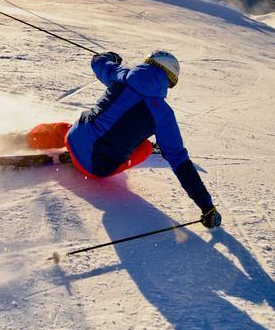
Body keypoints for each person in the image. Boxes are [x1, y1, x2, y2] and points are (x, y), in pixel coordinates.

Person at [27, 50, 221, 229]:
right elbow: (181, 163)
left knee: (70, 129)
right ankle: (83, 156)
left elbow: (97, 62)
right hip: (96, 167)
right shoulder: (163, 114)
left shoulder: (122, 74)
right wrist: (207, 206)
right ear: (168, 81)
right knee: (144, 147)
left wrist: (111, 57)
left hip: (74, 139)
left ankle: (29, 137)